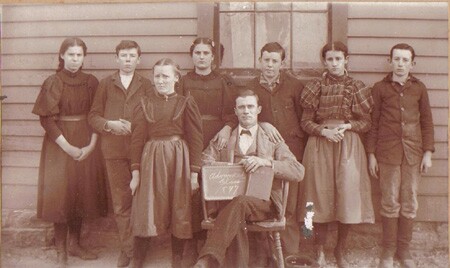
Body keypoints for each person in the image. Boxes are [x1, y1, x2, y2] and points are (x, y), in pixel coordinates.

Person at [194, 89, 305, 268]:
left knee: (239, 204)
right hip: (228, 201)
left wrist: (266, 162)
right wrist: (227, 169)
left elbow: (297, 171)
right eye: (242, 107)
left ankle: (209, 257)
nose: (246, 111)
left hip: (263, 203)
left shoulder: (271, 138)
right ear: (236, 111)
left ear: (258, 109)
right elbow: (203, 161)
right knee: (236, 210)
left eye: (250, 106)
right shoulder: (224, 137)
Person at [298, 41, 375, 267]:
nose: (334, 63)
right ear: (324, 61)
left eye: (338, 59)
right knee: (315, 197)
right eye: (329, 59)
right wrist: (323, 131)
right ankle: (318, 248)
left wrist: (347, 127)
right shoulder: (315, 87)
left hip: (348, 146)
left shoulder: (357, 87)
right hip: (320, 145)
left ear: (346, 60)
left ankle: (340, 249)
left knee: (348, 196)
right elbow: (305, 122)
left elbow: (367, 123)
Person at [32, 37, 106, 267]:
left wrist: (91, 146)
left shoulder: (92, 82)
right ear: (62, 56)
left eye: (79, 55)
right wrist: (68, 148)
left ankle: (75, 244)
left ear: (84, 57)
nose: (75, 59)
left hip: (86, 142)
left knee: (80, 194)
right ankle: (61, 251)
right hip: (60, 145)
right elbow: (47, 120)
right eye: (71, 55)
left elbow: (97, 115)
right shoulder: (53, 82)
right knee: (61, 196)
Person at [128, 58, 203, 268]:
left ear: (176, 78)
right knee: (147, 206)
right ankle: (138, 257)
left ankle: (177, 257)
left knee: (180, 206)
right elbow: (136, 140)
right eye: (157, 76)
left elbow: (196, 139)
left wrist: (194, 173)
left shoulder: (185, 102)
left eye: (165, 76)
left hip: (179, 159)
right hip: (151, 158)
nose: (160, 81)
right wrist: (135, 173)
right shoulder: (144, 103)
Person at [366, 43, 434, 268]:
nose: (401, 64)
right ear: (390, 61)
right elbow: (373, 123)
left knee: (409, 201)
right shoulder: (380, 88)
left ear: (412, 63)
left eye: (405, 60)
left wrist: (427, 153)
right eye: (397, 59)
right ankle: (388, 250)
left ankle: (404, 250)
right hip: (387, 154)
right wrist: (371, 154)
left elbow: (427, 123)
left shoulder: (419, 88)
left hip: (413, 153)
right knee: (389, 202)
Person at [88, 40, 153, 267]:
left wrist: (136, 127)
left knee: (141, 200)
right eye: (123, 55)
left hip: (141, 151)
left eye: (132, 56)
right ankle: (129, 251)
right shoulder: (106, 84)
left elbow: (153, 117)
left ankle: (140, 248)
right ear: (116, 58)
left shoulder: (146, 85)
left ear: (139, 59)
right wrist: (110, 125)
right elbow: (93, 116)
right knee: (121, 202)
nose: (127, 60)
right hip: (114, 151)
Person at [247, 42, 306, 256]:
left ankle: (289, 253)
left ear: (282, 63)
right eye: (266, 60)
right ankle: (265, 253)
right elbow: (248, 116)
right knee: (265, 202)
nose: (270, 65)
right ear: (259, 60)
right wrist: (264, 124)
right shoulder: (251, 87)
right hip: (263, 154)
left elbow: (304, 119)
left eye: (275, 61)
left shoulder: (295, 86)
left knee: (290, 205)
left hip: (292, 151)